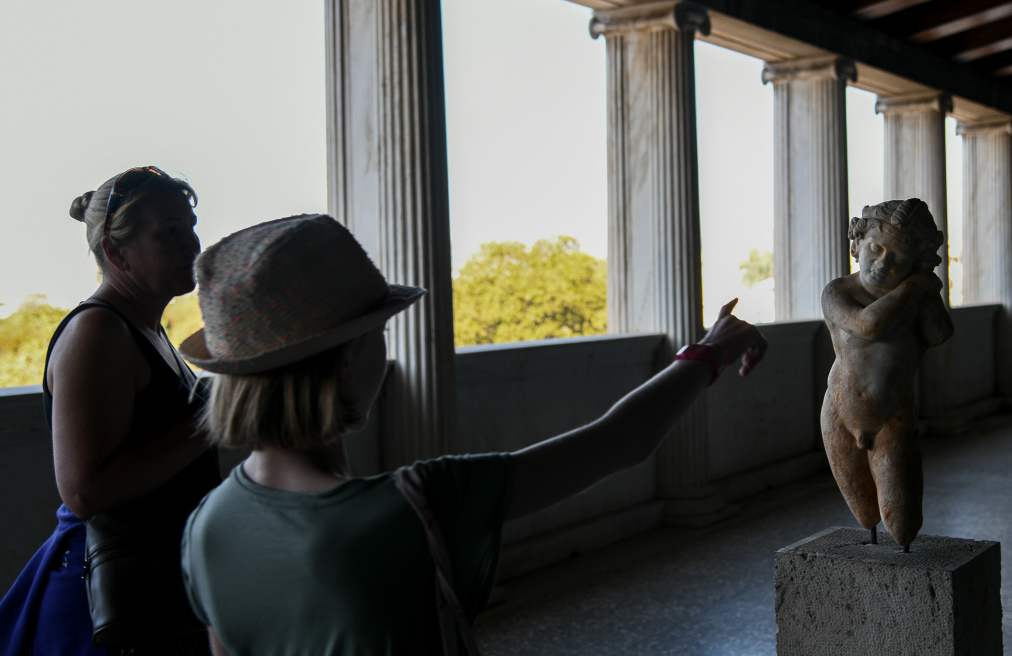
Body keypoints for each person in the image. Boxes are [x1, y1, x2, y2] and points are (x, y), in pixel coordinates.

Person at [178, 214, 767, 656]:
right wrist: (709, 352)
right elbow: (621, 440)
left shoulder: (207, 527)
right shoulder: (415, 505)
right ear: (349, 355)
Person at [0, 167, 221, 655]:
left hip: (149, 585)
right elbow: (86, 491)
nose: (192, 242)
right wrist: (212, 420)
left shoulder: (148, 329)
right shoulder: (98, 332)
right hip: (104, 602)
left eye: (189, 225)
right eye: (169, 231)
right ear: (115, 251)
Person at [819, 198, 953, 551]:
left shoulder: (917, 297)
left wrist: (927, 293)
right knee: (864, 512)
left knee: (902, 518)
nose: (882, 263)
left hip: (892, 413)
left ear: (915, 262)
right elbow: (868, 325)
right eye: (875, 248)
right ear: (857, 243)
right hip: (838, 411)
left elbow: (939, 333)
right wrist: (916, 286)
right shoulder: (839, 291)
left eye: (897, 258)